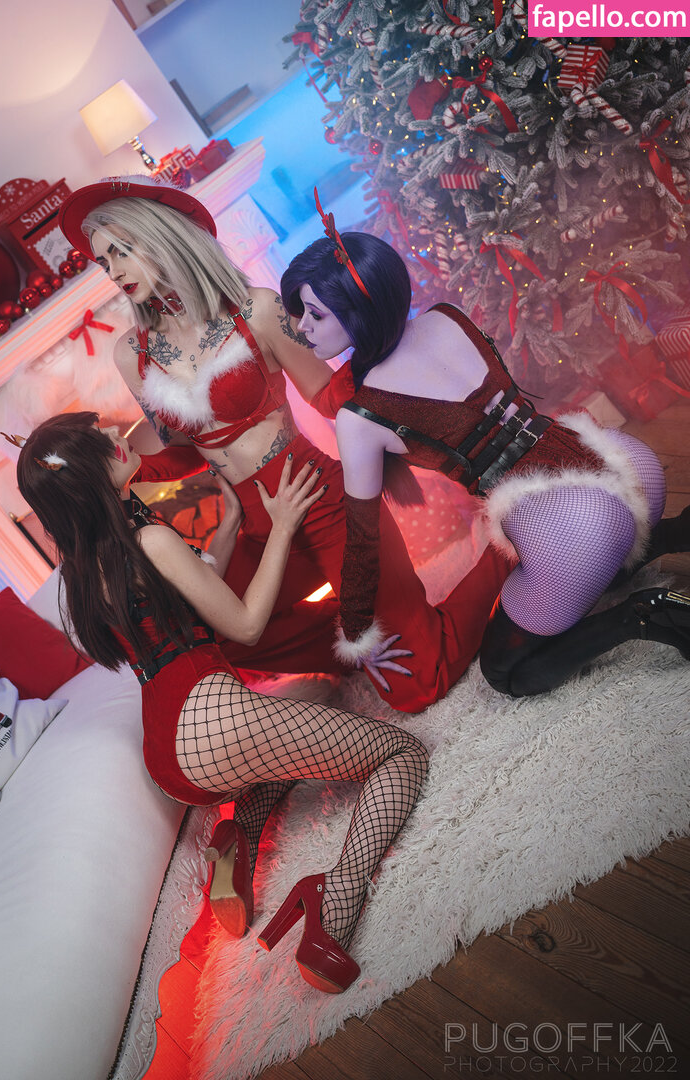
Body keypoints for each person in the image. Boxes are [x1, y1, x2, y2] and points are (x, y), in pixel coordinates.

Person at [10, 412, 429, 994]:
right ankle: (334, 897)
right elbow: (246, 625)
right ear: (87, 477)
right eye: (98, 441)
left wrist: (229, 526)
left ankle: (240, 835)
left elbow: (189, 596)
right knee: (403, 755)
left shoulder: (87, 570)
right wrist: (282, 525)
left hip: (171, 756)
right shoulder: (148, 539)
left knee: (305, 713)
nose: (114, 436)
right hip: (211, 723)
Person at [57, 176, 511, 713]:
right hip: (254, 520)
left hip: (317, 496)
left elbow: (330, 396)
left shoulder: (256, 310)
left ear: (161, 236)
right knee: (207, 625)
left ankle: (510, 545)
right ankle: (350, 648)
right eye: (102, 262)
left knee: (418, 686)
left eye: (121, 251)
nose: (113, 272)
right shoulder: (131, 353)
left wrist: (404, 373)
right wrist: (102, 472)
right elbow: (181, 450)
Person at [280, 214, 690, 698]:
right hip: (627, 462)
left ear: (361, 312)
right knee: (599, 564)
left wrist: (356, 633)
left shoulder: (359, 418)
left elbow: (363, 541)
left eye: (316, 314)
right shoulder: (446, 314)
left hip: (571, 524)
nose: (302, 328)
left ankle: (643, 614)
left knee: (506, 672)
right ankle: (678, 530)